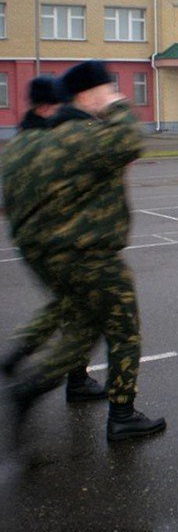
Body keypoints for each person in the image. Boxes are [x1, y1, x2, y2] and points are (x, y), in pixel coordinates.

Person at [2, 60, 166, 442]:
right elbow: (130, 141)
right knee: (124, 329)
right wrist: (117, 105)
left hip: (48, 253)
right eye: (104, 88)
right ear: (85, 95)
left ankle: (44, 384)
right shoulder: (79, 134)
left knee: (81, 327)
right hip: (89, 253)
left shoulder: (42, 140)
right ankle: (122, 414)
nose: (111, 93)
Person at [1, 76, 106, 404]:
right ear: (48, 106)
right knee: (85, 308)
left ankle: (24, 357)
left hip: (30, 240)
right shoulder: (48, 144)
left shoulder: (17, 142)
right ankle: (52, 378)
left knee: (67, 305)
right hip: (60, 240)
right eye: (60, 105)